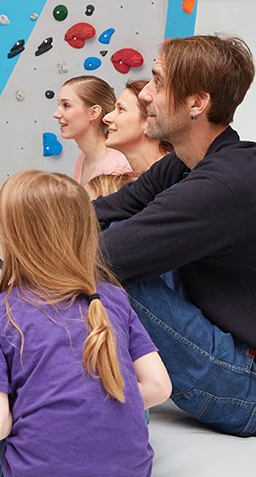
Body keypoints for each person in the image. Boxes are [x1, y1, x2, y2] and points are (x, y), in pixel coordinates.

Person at [0, 171, 171, 476]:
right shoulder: (111, 297)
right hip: (132, 469)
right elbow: (159, 387)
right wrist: (95, 403)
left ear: (7, 238)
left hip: (35, 469)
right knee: (125, 400)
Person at [94, 34, 256, 436]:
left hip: (246, 384)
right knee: (100, 240)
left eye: (158, 82)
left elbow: (103, 254)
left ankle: (11, 348)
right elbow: (102, 212)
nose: (145, 94)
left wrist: (26, 246)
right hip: (220, 336)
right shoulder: (186, 164)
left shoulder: (222, 184)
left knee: (103, 266)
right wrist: (35, 226)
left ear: (197, 103)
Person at [53, 75, 131, 186]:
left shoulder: (117, 168)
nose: (56, 114)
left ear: (94, 112)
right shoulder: (82, 160)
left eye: (66, 105)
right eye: (59, 104)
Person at [103, 79, 173, 175]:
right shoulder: (125, 181)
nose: (106, 118)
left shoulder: (173, 180)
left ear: (150, 121)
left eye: (121, 110)